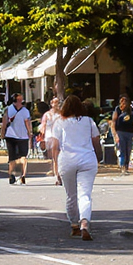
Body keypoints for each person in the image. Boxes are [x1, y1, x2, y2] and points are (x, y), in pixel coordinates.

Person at [42, 94, 102, 241]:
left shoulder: (59, 122)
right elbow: (96, 141)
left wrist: (56, 169)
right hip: (87, 159)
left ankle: (74, 224)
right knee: (85, 194)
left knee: (71, 195)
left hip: (67, 160)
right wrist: (98, 157)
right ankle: (85, 222)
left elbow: (55, 147)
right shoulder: (89, 122)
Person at [2, 93, 33, 184]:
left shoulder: (8, 109)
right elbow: (27, 123)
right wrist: (29, 133)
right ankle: (21, 175)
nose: (22, 101)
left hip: (11, 136)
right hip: (21, 136)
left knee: (12, 157)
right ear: (17, 100)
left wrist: (3, 133)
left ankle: (12, 174)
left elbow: (4, 123)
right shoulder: (25, 111)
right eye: (21, 99)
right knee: (22, 156)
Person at [109, 95, 133, 175]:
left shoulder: (130, 111)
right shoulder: (117, 110)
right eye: (122, 101)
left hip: (129, 132)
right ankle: (123, 167)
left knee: (128, 150)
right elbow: (113, 121)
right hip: (120, 132)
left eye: (125, 101)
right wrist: (115, 134)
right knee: (122, 150)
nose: (124, 103)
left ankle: (126, 166)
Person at [39, 97, 63, 184]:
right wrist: (42, 137)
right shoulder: (47, 114)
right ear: (52, 104)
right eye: (55, 102)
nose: (57, 104)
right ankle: (57, 173)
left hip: (59, 136)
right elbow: (43, 125)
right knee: (54, 157)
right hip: (49, 137)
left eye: (59, 102)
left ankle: (58, 175)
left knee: (58, 156)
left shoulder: (62, 114)